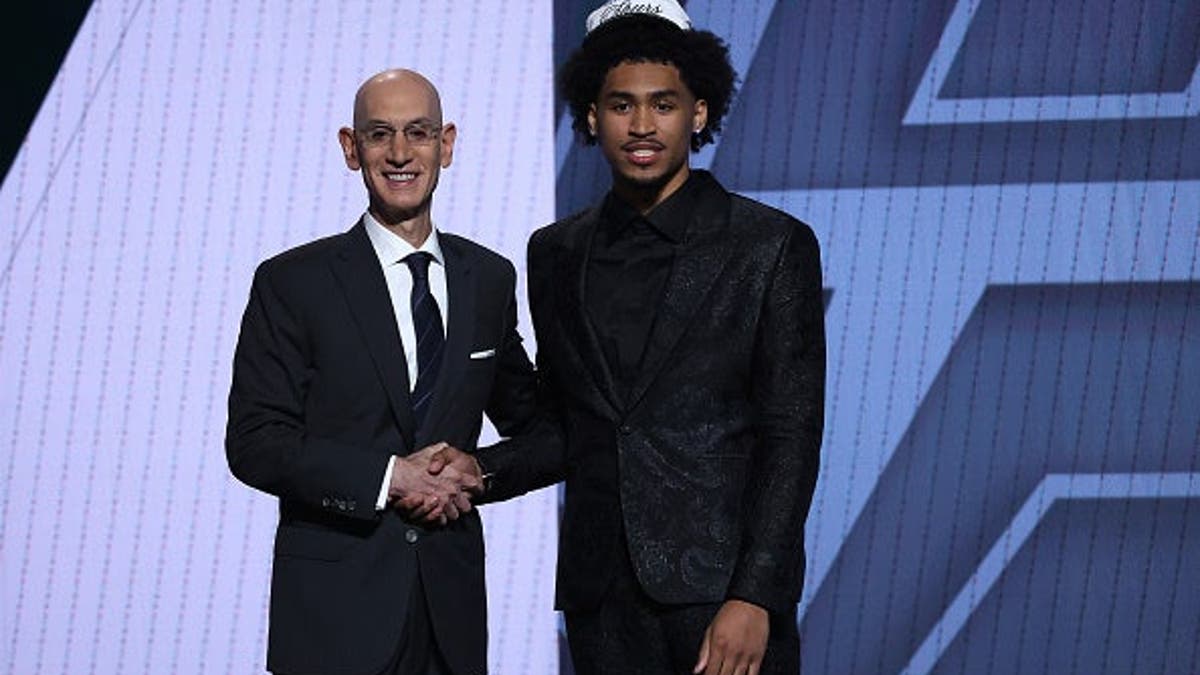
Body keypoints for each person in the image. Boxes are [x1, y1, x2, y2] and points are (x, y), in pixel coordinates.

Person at [441, 2, 827, 673]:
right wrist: (481, 470)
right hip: (602, 600)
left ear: (698, 113)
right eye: (621, 105)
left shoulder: (769, 246)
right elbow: (573, 425)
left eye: (663, 104)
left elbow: (791, 433)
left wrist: (755, 595)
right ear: (592, 117)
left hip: (721, 599)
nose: (642, 125)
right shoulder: (555, 251)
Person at [225, 68, 536, 675]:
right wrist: (390, 478)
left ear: (446, 144)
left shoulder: (490, 279)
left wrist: (481, 471)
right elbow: (256, 443)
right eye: (379, 135)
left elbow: (538, 426)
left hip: (450, 614)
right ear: (351, 148)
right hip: (333, 618)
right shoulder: (293, 282)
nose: (400, 154)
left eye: (418, 133)